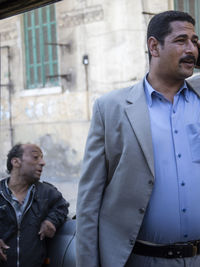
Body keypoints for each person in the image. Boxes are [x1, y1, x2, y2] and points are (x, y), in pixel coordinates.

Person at [76, 10, 200, 267]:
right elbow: (89, 200)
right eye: (181, 40)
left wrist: (186, 53)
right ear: (153, 46)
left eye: (195, 41)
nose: (192, 48)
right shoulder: (111, 108)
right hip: (140, 259)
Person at [0, 143, 69, 267]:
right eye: (36, 157)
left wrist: (51, 220)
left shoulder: (47, 192)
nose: (43, 162)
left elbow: (62, 206)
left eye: (42, 158)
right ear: (16, 162)